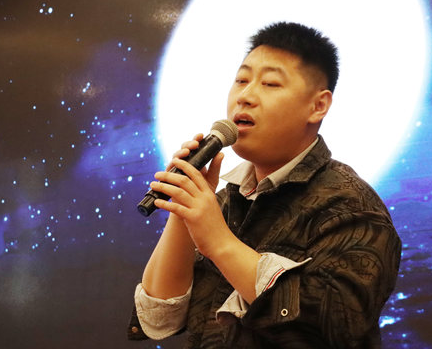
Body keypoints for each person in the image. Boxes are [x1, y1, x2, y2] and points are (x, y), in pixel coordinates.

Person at [128, 22, 401, 348]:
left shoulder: (351, 205)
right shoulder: (225, 201)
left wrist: (218, 240)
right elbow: (160, 318)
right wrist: (183, 205)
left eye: (270, 83)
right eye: (241, 80)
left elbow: (337, 326)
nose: (245, 96)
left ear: (318, 106)